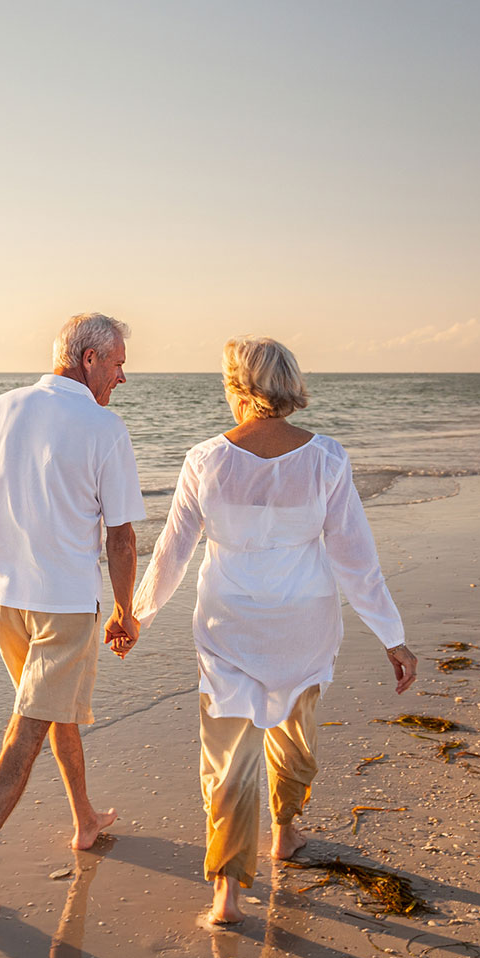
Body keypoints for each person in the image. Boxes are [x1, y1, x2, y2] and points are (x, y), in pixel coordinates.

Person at [131, 336, 417, 926]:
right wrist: (392, 635)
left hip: (227, 623)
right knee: (294, 732)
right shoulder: (328, 458)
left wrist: (137, 616)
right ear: (288, 385)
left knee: (228, 758)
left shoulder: (205, 459)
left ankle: (228, 895)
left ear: (238, 387)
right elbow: (355, 559)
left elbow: (172, 556)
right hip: (303, 624)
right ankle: (284, 832)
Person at [0, 312, 147, 924]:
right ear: (89, 360)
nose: (123, 376)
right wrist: (127, 610)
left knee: (56, 710)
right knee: (25, 734)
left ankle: (83, 818)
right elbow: (123, 537)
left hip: (0, 601)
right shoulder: (104, 428)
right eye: (118, 362)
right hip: (63, 608)